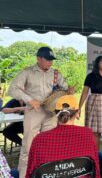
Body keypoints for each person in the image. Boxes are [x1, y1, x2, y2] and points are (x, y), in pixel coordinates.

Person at [7, 46, 72, 178]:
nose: (50, 62)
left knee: (49, 145)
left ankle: (46, 173)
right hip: (33, 112)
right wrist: (30, 100)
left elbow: (65, 88)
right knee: (28, 147)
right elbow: (12, 90)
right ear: (38, 59)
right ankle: (24, 174)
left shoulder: (55, 73)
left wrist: (69, 91)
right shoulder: (28, 72)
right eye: (47, 59)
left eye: (51, 60)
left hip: (51, 114)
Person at [25, 95, 100, 178]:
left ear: (56, 113)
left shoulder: (39, 139)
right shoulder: (87, 134)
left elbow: (31, 172)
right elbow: (95, 166)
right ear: (77, 113)